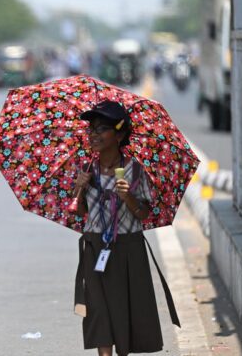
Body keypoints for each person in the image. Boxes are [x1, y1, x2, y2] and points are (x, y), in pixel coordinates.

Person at [72, 100, 177, 356]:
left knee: (125, 312)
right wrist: (79, 189)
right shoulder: (87, 168)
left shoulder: (135, 171)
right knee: (98, 312)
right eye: (91, 129)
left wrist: (128, 197)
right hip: (95, 247)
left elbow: (144, 213)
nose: (93, 135)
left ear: (119, 135)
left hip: (128, 250)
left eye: (101, 129)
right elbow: (80, 213)